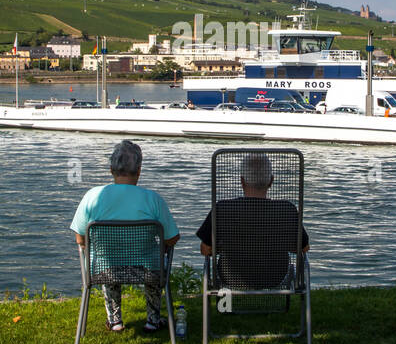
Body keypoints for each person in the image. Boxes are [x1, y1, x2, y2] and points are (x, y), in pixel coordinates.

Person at [70, 140, 179, 332]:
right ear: (139, 170)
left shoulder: (92, 196)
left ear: (111, 169)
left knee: (106, 258)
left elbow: (80, 239)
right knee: (156, 257)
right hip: (148, 270)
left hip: (103, 270)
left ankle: (115, 321)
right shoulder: (153, 199)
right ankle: (153, 320)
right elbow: (172, 238)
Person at [195, 153, 309, 290]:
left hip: (230, 277)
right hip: (275, 277)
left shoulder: (222, 209)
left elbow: (205, 249)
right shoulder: (287, 209)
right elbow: (303, 248)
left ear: (241, 181)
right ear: (271, 181)